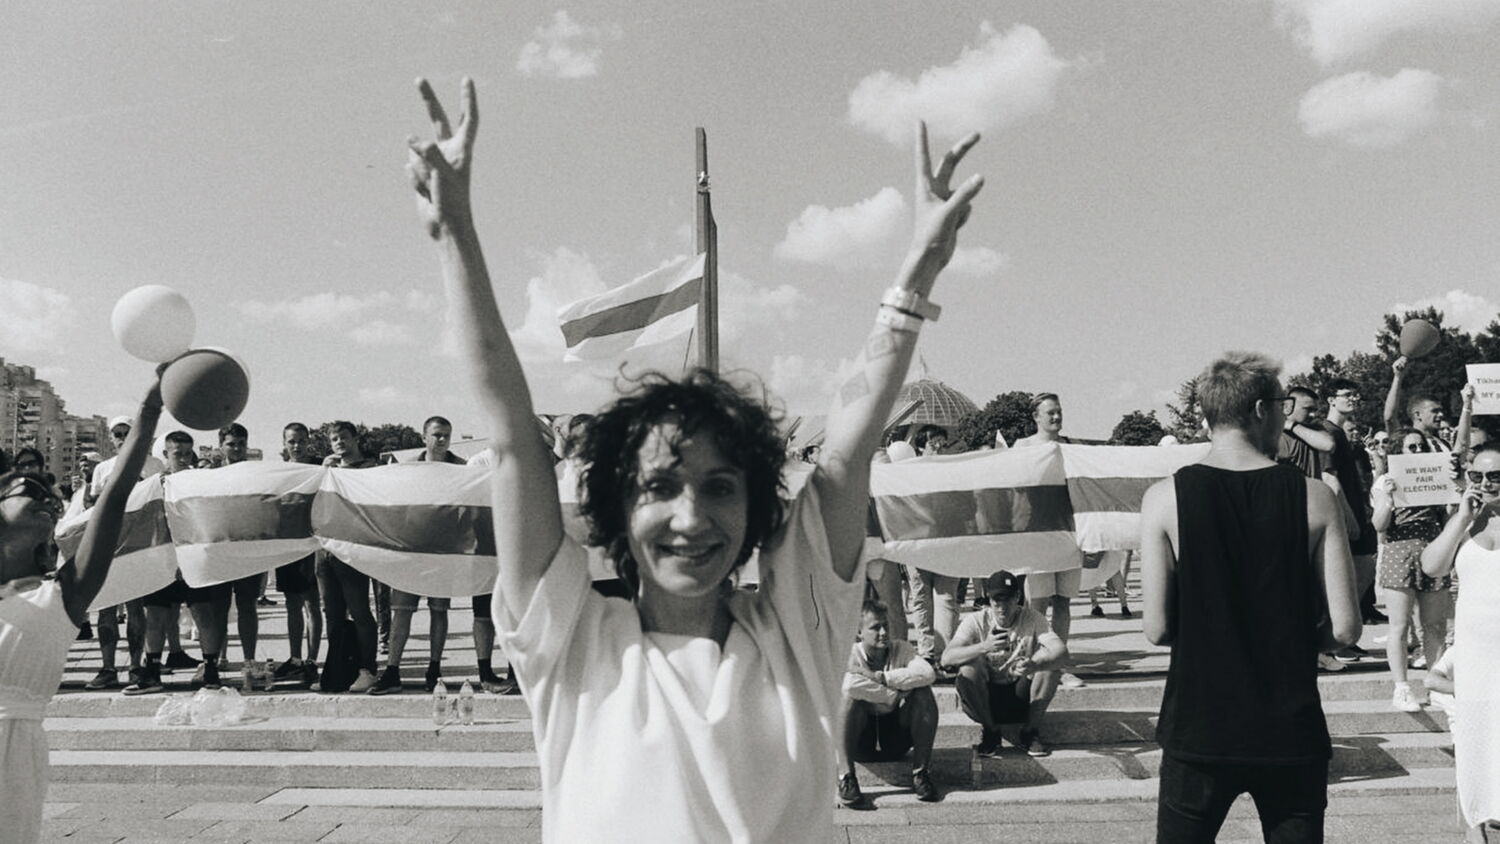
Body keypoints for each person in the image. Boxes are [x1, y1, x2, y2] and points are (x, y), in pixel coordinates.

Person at [408, 77, 982, 840]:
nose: (691, 516)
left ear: (756, 510)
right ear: (618, 508)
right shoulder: (570, 640)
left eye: (720, 486)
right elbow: (514, 441)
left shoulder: (798, 637)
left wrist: (914, 277)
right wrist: (455, 237)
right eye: (659, 487)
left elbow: (844, 458)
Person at [1140, 352, 1360, 843]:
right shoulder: (1314, 496)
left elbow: (1155, 628)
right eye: (1284, 403)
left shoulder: (1163, 498)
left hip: (1198, 723)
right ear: (1262, 409)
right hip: (1288, 723)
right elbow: (1346, 628)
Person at [1, 372, 163, 842]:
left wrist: (148, 413)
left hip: (13, 754)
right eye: (28, 492)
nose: (48, 502)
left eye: (51, 499)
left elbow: (114, 499)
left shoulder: (61, 595)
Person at [1420, 443, 1500, 842]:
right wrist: (1461, 518)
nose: (1486, 483)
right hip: (1474, 653)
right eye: (1478, 476)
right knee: (1475, 743)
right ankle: (1476, 829)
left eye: (1496, 476)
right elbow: (1431, 566)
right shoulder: (1465, 521)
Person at [372, 415, 463, 695]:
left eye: (446, 434)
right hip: (411, 550)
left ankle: (434, 669)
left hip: (443, 552)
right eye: (436, 434)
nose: (442, 439)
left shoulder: (462, 468)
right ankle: (392, 670)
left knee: (439, 611)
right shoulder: (407, 468)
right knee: (402, 612)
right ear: (424, 436)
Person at [122, 431, 218, 694]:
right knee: (155, 615)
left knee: (203, 613)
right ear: (165, 455)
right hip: (163, 559)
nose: (185, 459)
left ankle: (210, 669)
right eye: (178, 454)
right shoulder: (153, 485)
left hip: (193, 557)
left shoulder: (199, 482)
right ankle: (152, 671)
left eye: (188, 453)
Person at [942, 570, 1067, 758]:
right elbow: (947, 658)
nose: (1002, 607)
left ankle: (1030, 731)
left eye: (1007, 600)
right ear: (988, 600)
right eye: (996, 600)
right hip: (985, 699)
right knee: (968, 669)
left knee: (1049, 666)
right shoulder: (976, 621)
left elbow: (1062, 652)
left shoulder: (1033, 617)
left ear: (1017, 597)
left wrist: (1034, 664)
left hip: (1020, 694)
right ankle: (991, 731)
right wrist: (984, 647)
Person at [1371, 428, 1452, 712]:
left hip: (1432, 548)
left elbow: (1446, 518)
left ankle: (1435, 684)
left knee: (1435, 625)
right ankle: (1401, 687)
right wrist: (1389, 499)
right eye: (1410, 448)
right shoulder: (1384, 481)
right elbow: (1379, 525)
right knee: (1400, 624)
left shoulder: (1435, 477)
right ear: (1397, 451)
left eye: (1420, 447)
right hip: (1399, 550)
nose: (1416, 452)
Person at [1014, 392, 1086, 689]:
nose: (1056, 417)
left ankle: (1059, 664)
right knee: (1037, 604)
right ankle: (1032, 663)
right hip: (1038, 533)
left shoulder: (1070, 447)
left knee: (1064, 601)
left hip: (1068, 532)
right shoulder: (1023, 447)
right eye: (1050, 413)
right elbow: (1014, 490)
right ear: (1036, 417)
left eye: (1058, 412)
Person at [837, 600, 938, 807]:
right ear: (859, 632)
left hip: (894, 736)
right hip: (860, 742)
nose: (883, 632)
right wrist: (893, 695)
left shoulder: (902, 648)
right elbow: (849, 685)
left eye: (886, 626)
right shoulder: (849, 653)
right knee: (847, 699)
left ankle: (921, 773)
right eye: (875, 627)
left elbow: (927, 673)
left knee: (923, 694)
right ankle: (847, 777)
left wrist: (880, 676)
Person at [320, 420, 382, 692]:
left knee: (358, 610)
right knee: (331, 613)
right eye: (334, 439)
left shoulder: (370, 469)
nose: (339, 443)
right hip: (325, 549)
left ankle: (367, 668)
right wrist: (323, 473)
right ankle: (338, 669)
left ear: (355, 439)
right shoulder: (327, 471)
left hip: (354, 549)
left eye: (344, 437)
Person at [209, 423, 264, 685]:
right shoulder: (207, 475)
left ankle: (249, 659)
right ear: (221, 446)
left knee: (247, 607)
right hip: (220, 550)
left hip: (247, 551)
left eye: (241, 444)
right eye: (231, 443)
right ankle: (217, 657)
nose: (237, 448)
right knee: (218, 609)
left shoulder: (256, 474)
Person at [270, 422, 322, 689]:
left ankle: (312, 661)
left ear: (308, 442)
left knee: (313, 605)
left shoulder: (321, 470)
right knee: (292, 605)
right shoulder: (278, 473)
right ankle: (295, 658)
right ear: (284, 444)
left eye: (301, 440)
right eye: (292, 441)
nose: (297, 446)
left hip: (313, 544)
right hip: (289, 546)